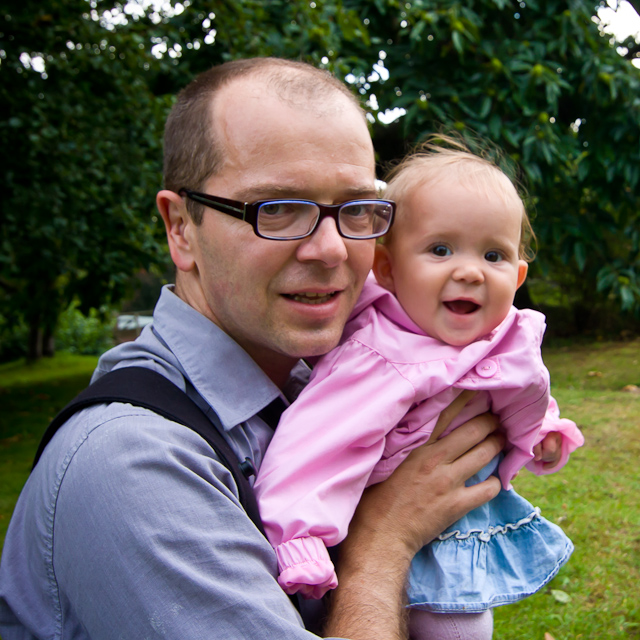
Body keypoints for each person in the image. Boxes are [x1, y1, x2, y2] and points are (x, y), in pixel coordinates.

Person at [0, 59, 505, 640]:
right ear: (181, 228)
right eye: (278, 209)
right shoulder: (133, 466)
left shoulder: (321, 383)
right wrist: (383, 543)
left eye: (356, 209)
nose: (331, 250)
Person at [254, 138, 585, 640]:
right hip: (386, 540)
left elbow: (521, 388)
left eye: (493, 254)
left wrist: (543, 429)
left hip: (461, 530)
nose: (470, 270)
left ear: (517, 276)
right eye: (440, 249)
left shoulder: (504, 336)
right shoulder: (379, 358)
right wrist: (300, 539)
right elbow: (310, 447)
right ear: (387, 268)